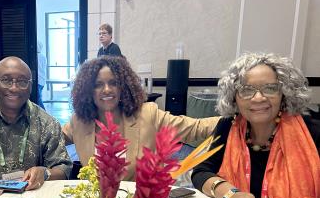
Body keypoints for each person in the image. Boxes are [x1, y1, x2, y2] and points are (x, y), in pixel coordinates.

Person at [191, 53, 320, 198]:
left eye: (270, 88)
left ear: (284, 93)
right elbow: (201, 172)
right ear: (234, 97)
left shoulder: (313, 131)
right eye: (246, 90)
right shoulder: (229, 126)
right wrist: (231, 194)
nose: (258, 97)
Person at [63, 56, 220, 181]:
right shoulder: (79, 121)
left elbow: (195, 128)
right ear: (88, 90)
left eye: (113, 83)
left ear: (123, 87)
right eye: (98, 84)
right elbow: (49, 139)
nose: (106, 90)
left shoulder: (147, 114)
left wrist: (234, 119)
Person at [0, 56, 72, 191]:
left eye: (22, 81)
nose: (14, 88)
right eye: (6, 80)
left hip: (33, 196)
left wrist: (44, 173)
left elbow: (63, 168)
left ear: (30, 86)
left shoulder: (48, 123)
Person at [37, 41, 47, 110]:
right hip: (42, 80)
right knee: (39, 97)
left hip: (38, 80)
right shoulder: (43, 56)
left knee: (38, 98)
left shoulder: (36, 56)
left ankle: (44, 112)